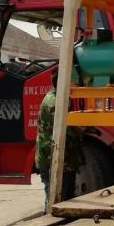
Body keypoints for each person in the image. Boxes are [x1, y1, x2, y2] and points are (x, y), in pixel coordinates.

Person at [36, 67, 83, 203]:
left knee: (65, 198)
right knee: (56, 201)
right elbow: (64, 127)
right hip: (53, 159)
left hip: (62, 158)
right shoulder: (54, 102)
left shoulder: (60, 97)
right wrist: (81, 129)